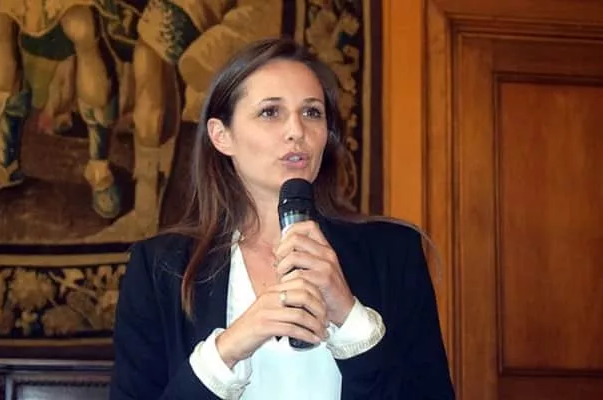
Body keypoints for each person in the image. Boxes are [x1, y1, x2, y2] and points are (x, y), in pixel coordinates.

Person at [109, 37, 455, 399]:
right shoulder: (160, 269)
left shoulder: (392, 254)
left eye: (312, 112)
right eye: (270, 112)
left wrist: (351, 318)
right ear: (222, 136)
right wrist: (228, 349)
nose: (297, 131)